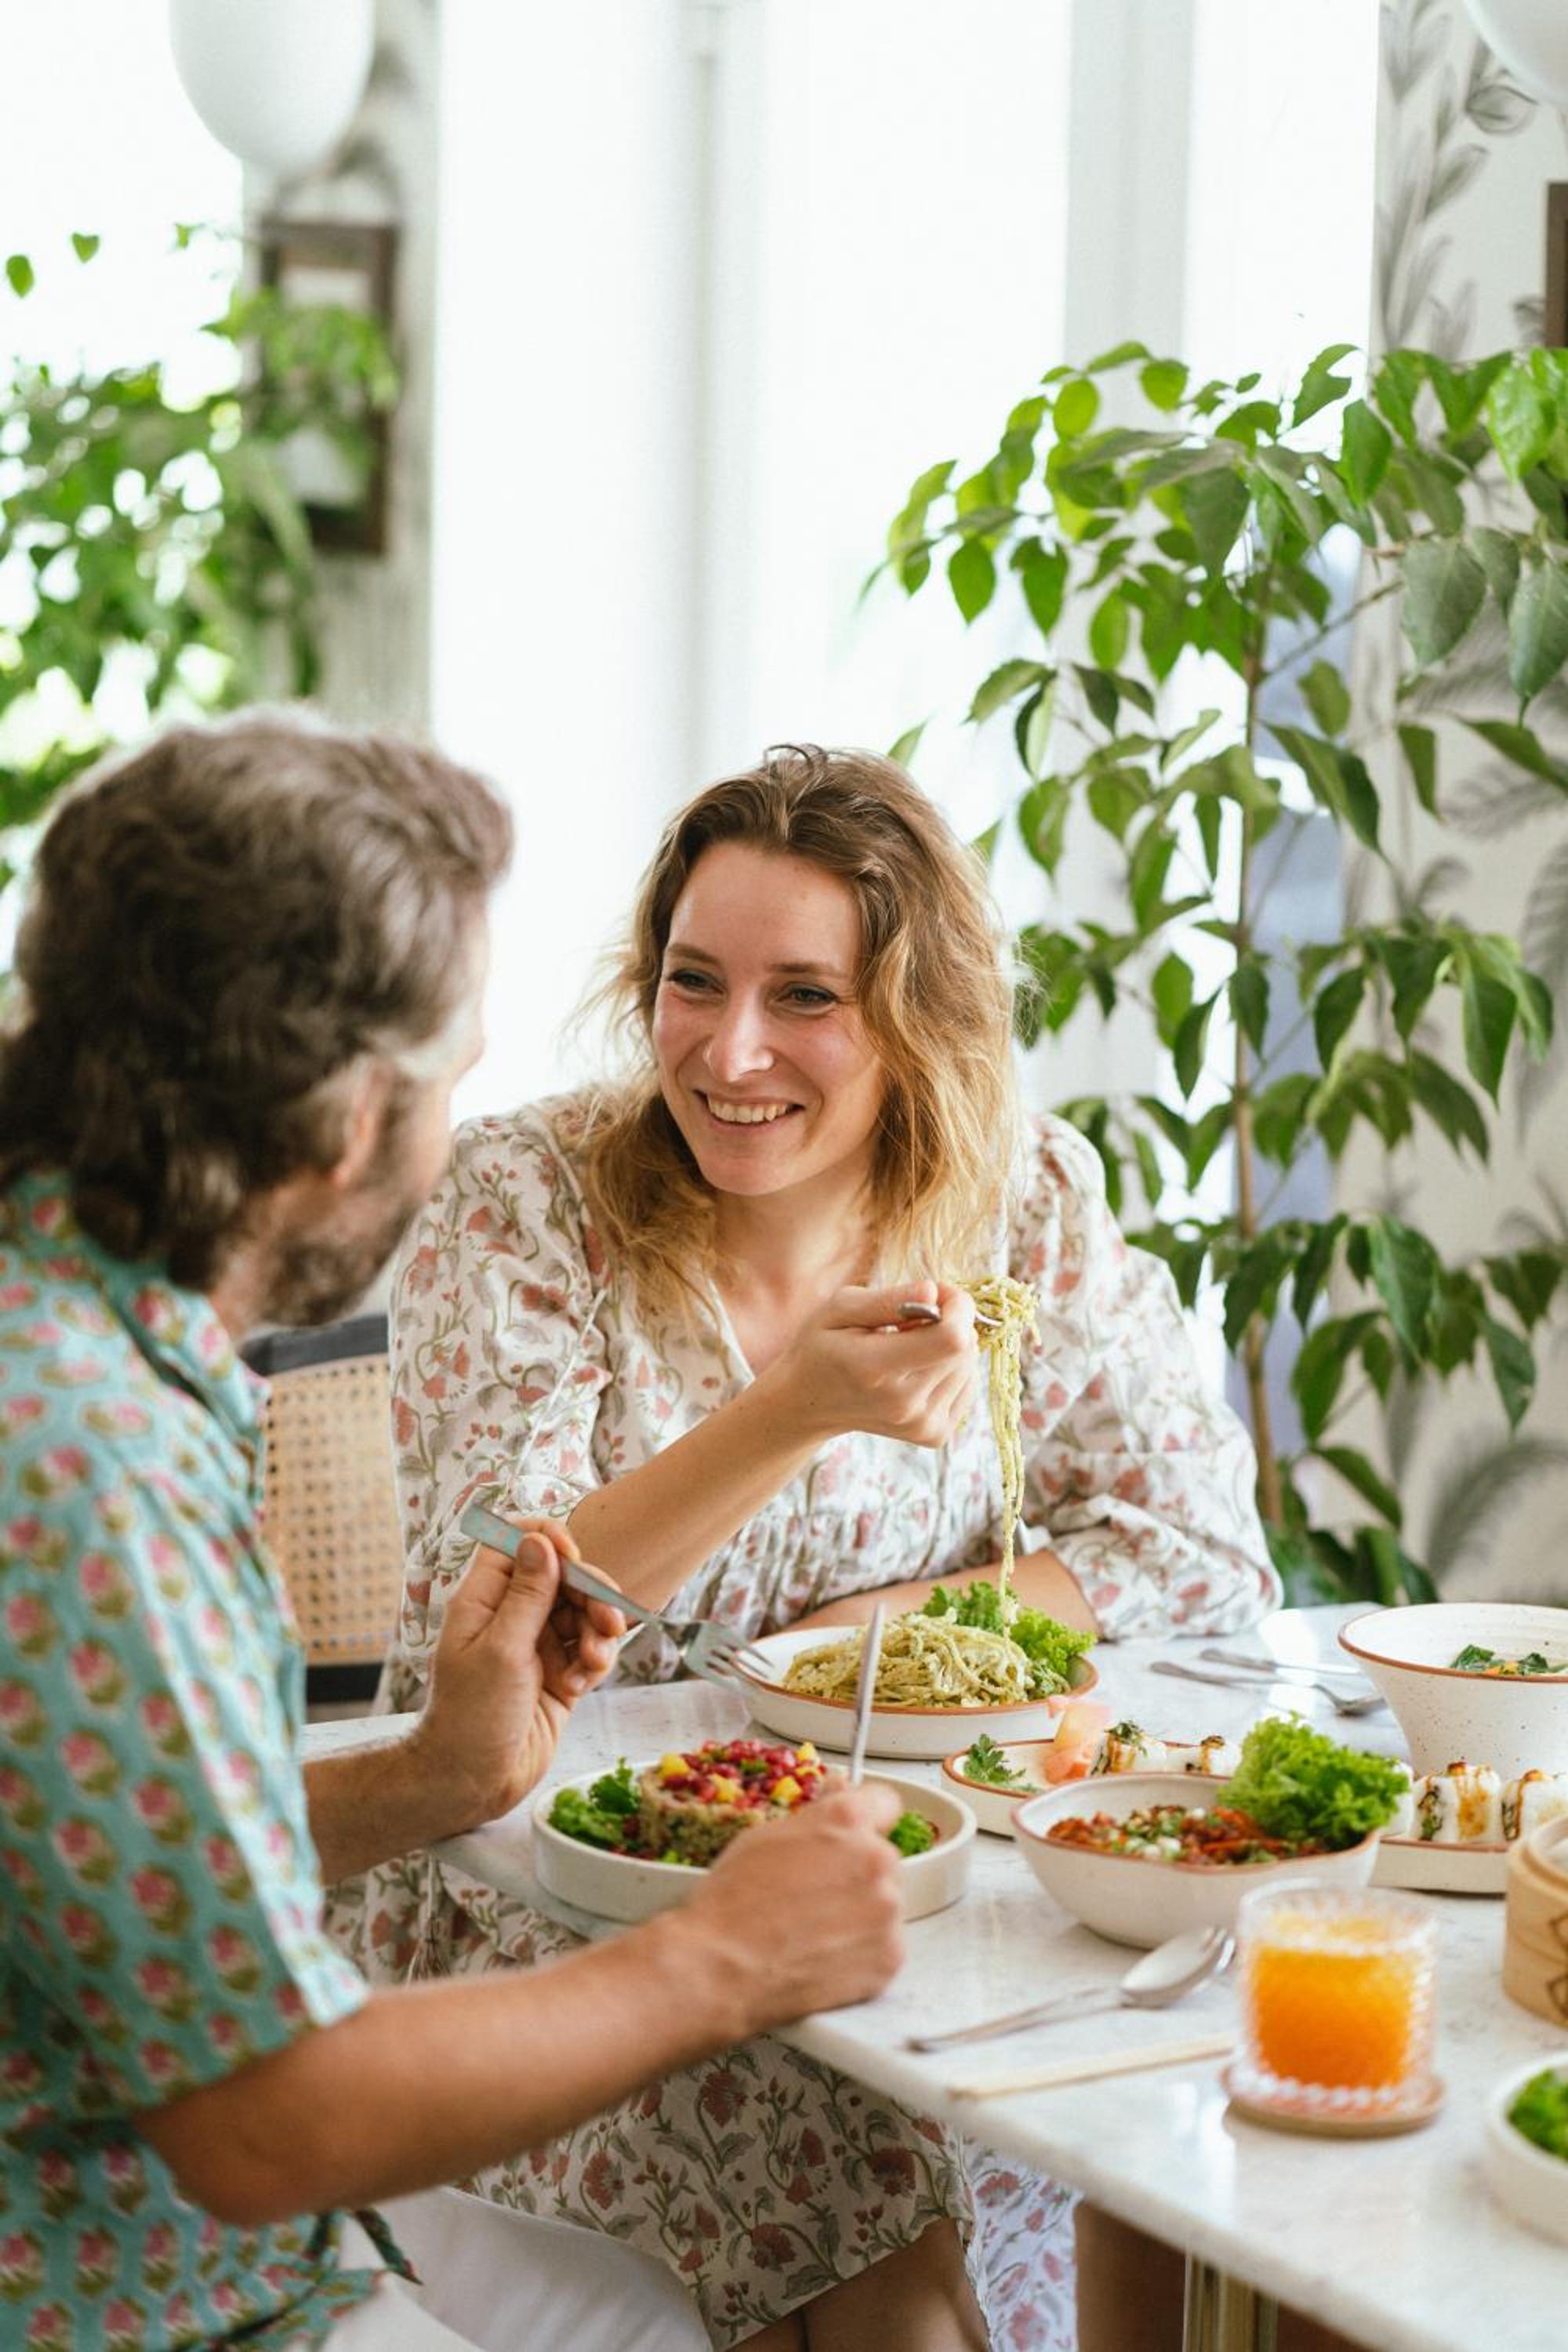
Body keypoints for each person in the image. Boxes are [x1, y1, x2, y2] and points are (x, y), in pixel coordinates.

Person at [0, 715, 913, 2352]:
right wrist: (719, 1963)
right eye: (454, 1074)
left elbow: (114, 1854)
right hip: (125, 2283)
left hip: (154, 2200)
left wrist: (437, 1775)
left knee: (680, 2309)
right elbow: (264, 2126)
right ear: (355, 1120)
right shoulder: (87, 1461)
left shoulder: (79, 1327)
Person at [351, 743, 1277, 2350]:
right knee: (858, 2203)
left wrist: (864, 1635)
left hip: (939, 1880)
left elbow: (1194, 1552)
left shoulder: (1024, 1204)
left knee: (1195, 2106)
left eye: (806, 998)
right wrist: (793, 1412)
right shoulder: (524, 1199)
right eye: (693, 981)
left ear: (916, 1021)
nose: (731, 1051)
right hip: (559, 1902)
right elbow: (488, 1621)